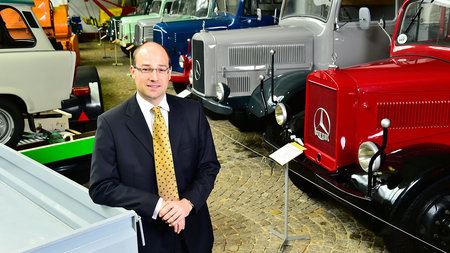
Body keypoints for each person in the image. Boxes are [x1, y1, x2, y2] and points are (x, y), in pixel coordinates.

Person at [89, 42, 220, 253]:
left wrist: (187, 204)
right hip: (147, 239)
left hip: (194, 233)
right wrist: (158, 206)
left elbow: (209, 166)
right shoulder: (111, 123)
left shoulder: (192, 112)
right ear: (133, 72)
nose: (154, 77)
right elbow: (101, 187)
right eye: (146, 69)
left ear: (169, 73)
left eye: (161, 69)